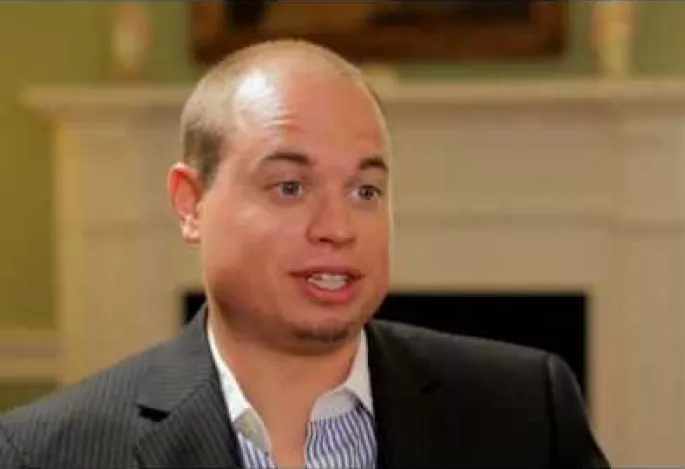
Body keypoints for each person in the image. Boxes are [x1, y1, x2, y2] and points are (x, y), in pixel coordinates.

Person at [0, 39, 609, 469]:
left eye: (365, 191)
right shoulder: (48, 453)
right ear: (191, 204)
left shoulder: (526, 413)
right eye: (290, 187)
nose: (338, 228)